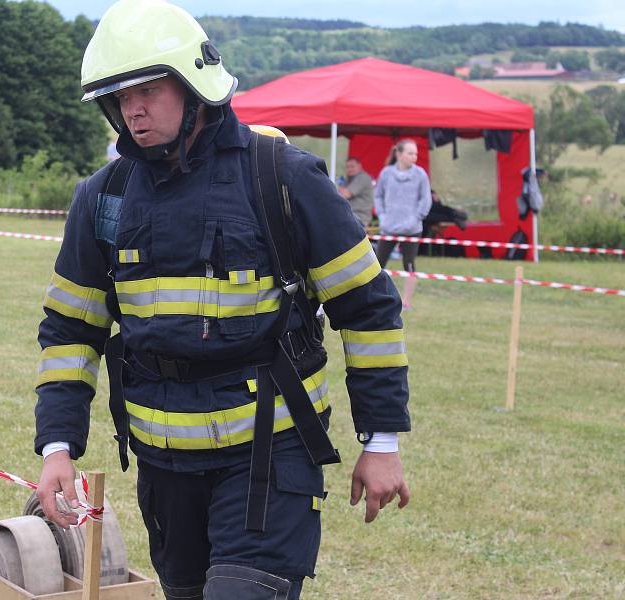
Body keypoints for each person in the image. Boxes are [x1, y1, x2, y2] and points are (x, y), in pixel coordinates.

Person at [34, 2, 410, 599]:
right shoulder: (102, 200)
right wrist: (58, 446)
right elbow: (71, 331)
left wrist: (382, 441)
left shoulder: (282, 177)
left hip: (270, 460)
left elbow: (368, 308)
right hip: (164, 470)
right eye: (118, 95)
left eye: (149, 89)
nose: (132, 109)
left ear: (193, 83)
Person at [373, 139, 432, 310]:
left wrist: (415, 219)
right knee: (378, 263)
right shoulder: (386, 173)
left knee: (410, 264)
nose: (414, 156)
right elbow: (378, 196)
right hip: (389, 227)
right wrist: (382, 217)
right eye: (410, 153)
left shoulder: (420, 174)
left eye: (416, 153)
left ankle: (407, 301)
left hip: (412, 229)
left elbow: (425, 201)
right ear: (399, 154)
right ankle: (376, 298)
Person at [337, 156, 374, 228]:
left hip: (360, 218)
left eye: (352, 166)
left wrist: (338, 186)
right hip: (351, 216)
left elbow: (344, 195)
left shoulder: (362, 177)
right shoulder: (349, 179)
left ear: (359, 166)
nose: (349, 169)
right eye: (347, 167)